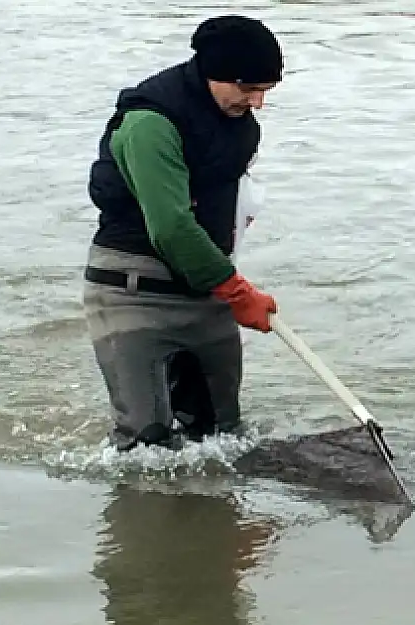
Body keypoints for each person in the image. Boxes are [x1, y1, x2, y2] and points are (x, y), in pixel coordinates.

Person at [83, 15, 283, 452]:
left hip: (205, 295)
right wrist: (237, 290)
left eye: (266, 92)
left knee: (222, 441)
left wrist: (225, 276)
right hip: (132, 295)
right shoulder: (149, 123)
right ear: (215, 73)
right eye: (249, 89)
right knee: (145, 445)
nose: (257, 103)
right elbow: (171, 227)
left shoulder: (242, 127)